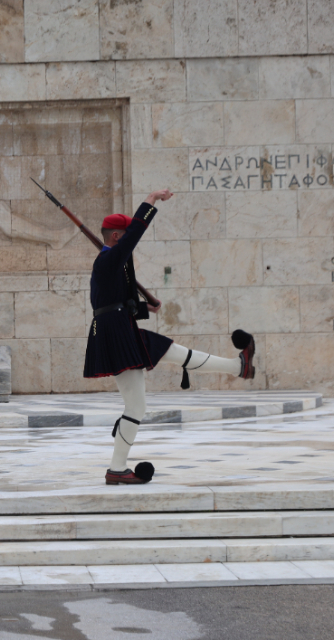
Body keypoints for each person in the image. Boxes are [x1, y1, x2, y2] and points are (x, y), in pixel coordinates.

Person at [85, 189, 257, 485]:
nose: (128, 244)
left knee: (170, 350)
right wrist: (150, 201)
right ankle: (116, 468)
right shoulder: (107, 261)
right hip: (115, 336)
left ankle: (238, 366)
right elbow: (133, 239)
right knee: (136, 407)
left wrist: (143, 307)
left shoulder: (110, 264)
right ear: (117, 237)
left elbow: (110, 303)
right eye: (124, 238)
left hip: (120, 330)